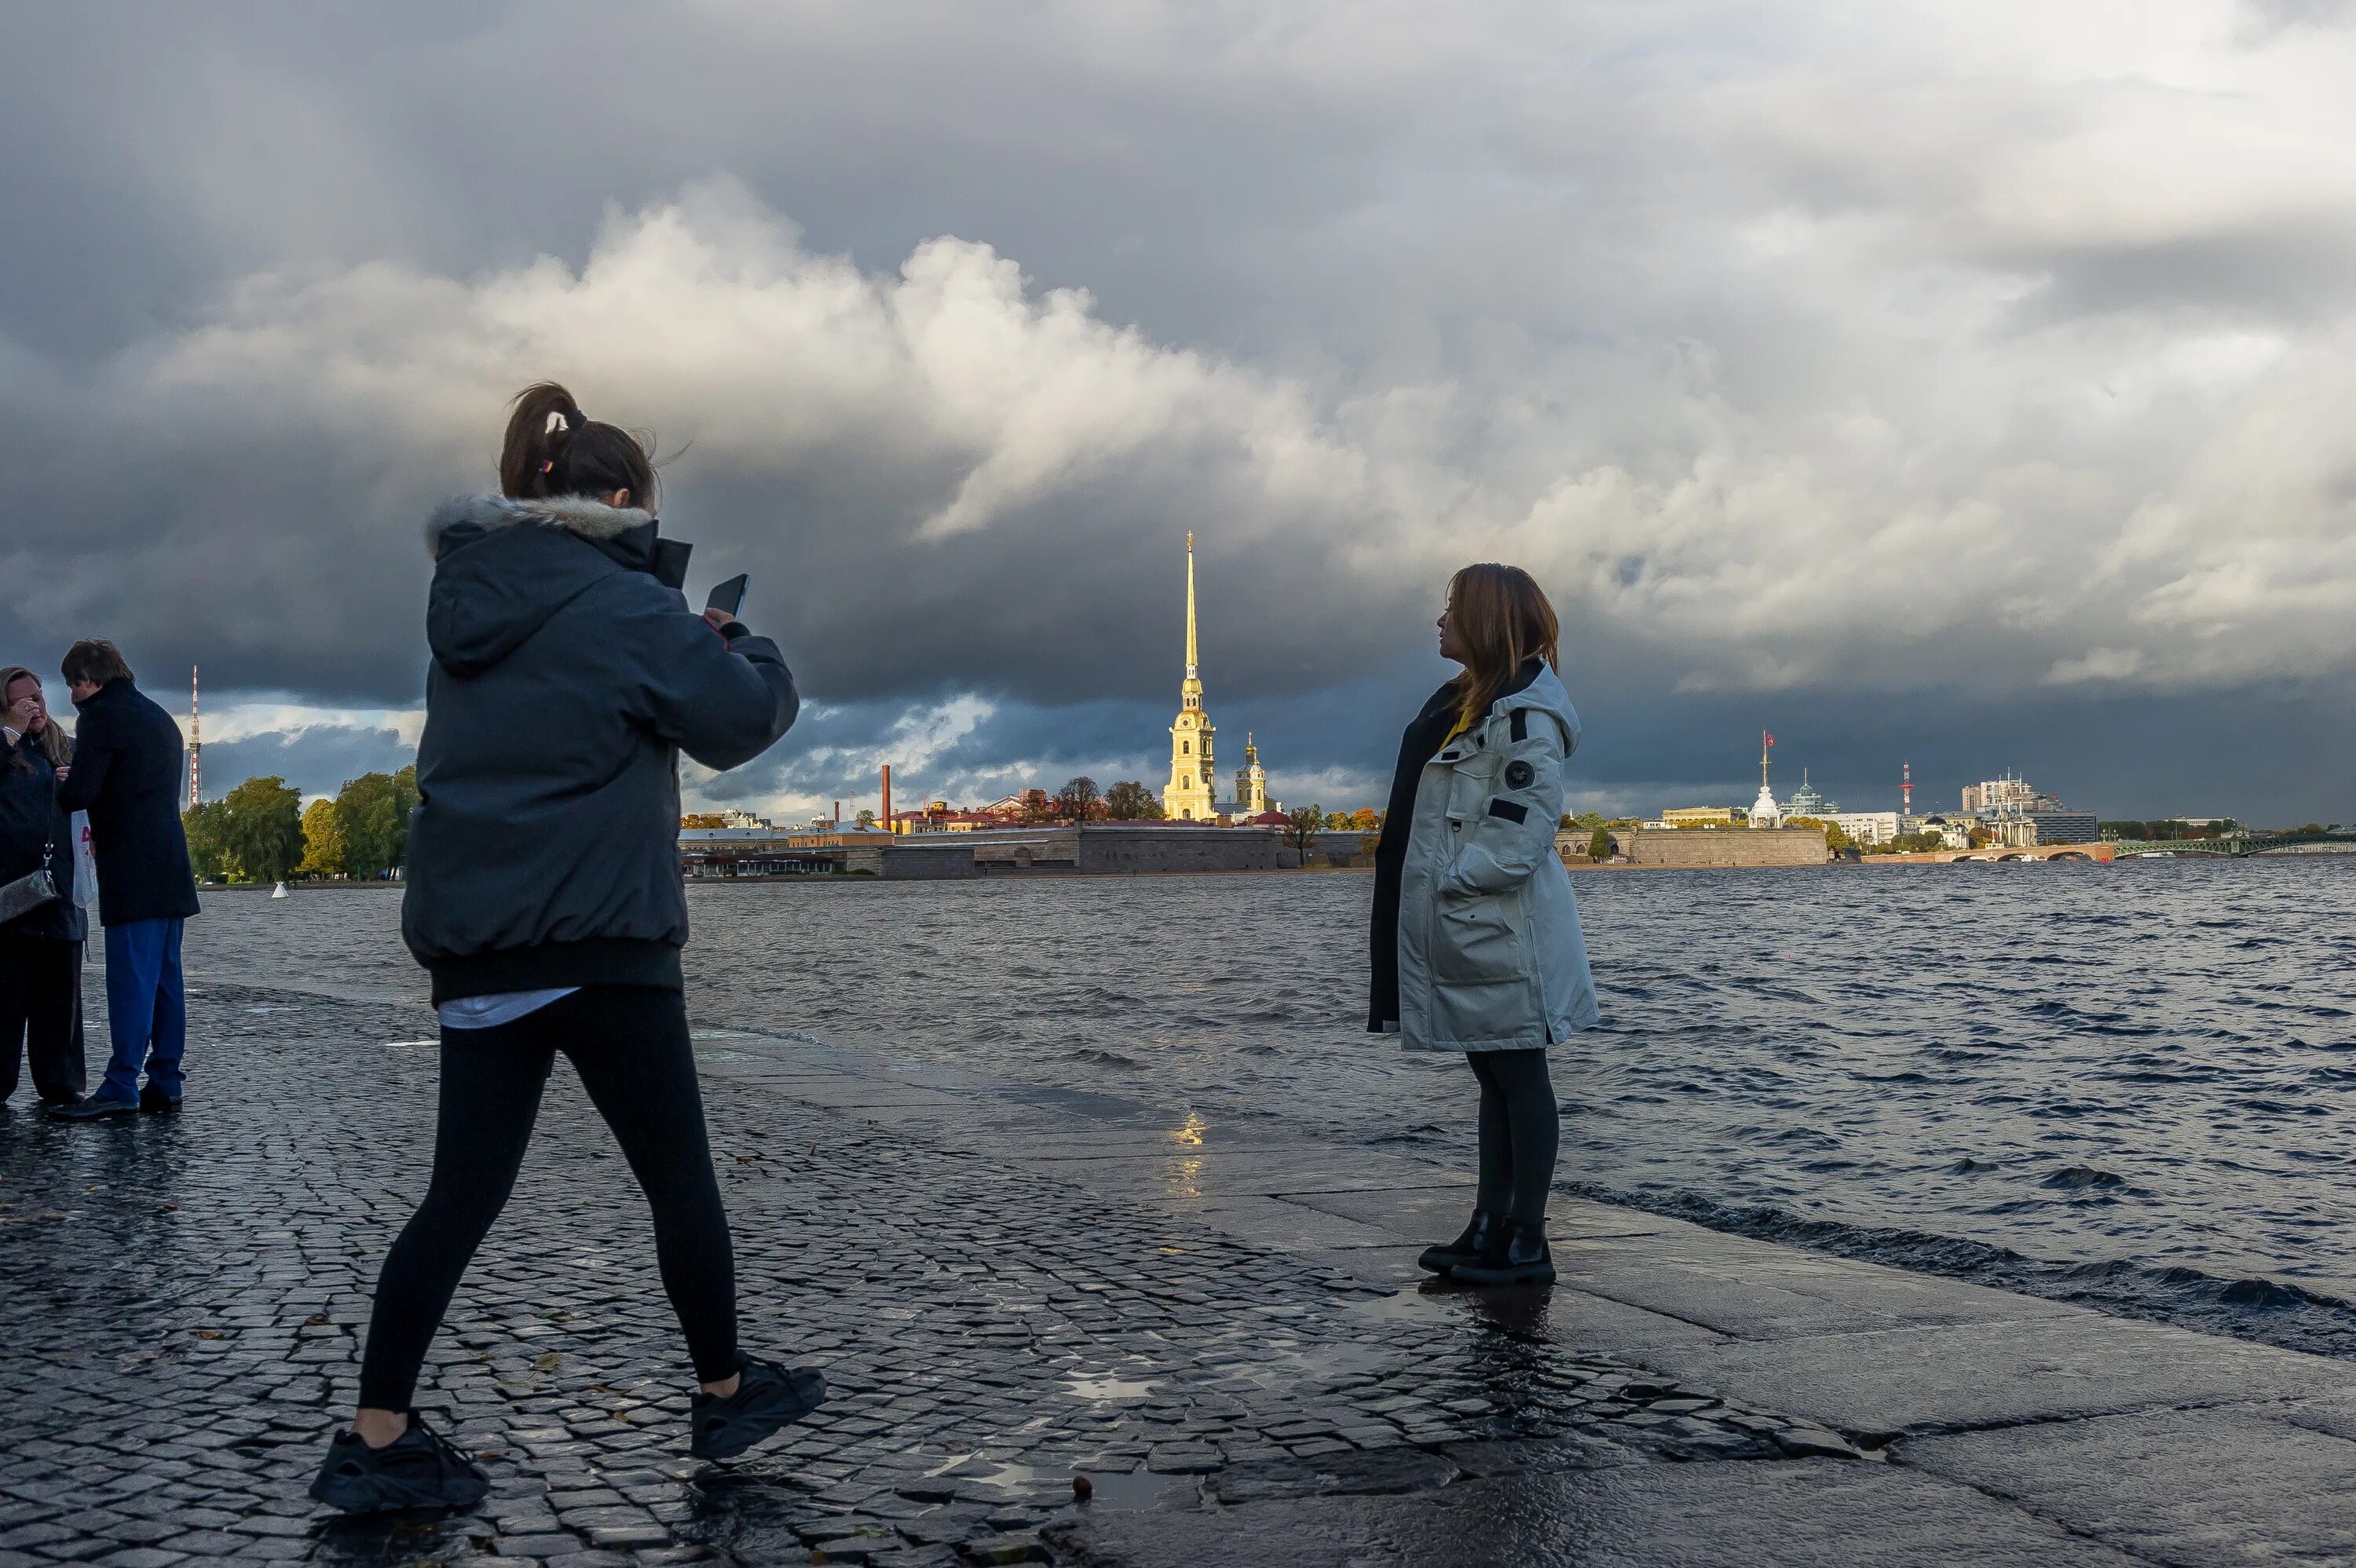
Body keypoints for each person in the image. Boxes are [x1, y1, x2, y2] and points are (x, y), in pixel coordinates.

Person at [312, 383, 817, 1514]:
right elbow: (737, 721)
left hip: (481, 951)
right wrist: (748, 645)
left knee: (459, 1196)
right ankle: (724, 1387)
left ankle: (375, 1431)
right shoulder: (627, 607)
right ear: (625, 500)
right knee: (678, 1182)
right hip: (604, 943)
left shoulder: (465, 604)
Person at [1369, 564, 1598, 1287]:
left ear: (1486, 619)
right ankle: (1490, 1225)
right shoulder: (1470, 703)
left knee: (1517, 1072)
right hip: (1475, 924)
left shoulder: (1525, 713)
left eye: (1452, 610)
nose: (1440, 622)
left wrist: (1455, 882)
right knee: (1494, 1073)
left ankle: (1526, 1238)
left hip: (1501, 924)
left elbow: (1521, 827)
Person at [49, 640, 199, 1120]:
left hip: (131, 868)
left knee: (131, 980)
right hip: (171, 864)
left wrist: (63, 780)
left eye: (73, 684)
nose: (73, 695)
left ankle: (120, 1085)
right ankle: (165, 1080)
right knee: (165, 981)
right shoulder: (158, 716)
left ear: (89, 680)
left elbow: (81, 794)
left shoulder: (99, 717)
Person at [0, 665, 87, 1109]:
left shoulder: (63, 749)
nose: (36, 706)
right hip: (9, 903)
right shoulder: (5, 748)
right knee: (5, 1001)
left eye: (39, 696)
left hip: (60, 897)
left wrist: (81, 786)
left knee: (59, 1003)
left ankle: (61, 1084)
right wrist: (9, 734)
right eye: (23, 701)